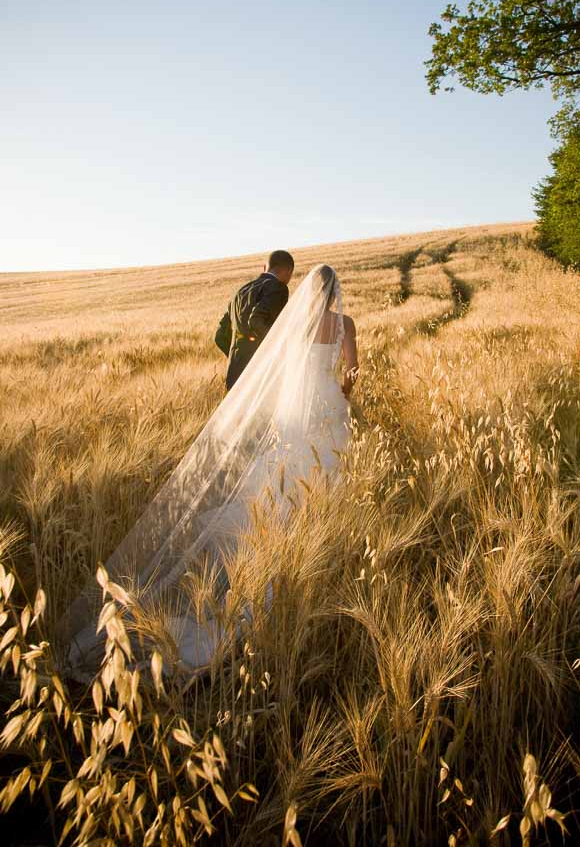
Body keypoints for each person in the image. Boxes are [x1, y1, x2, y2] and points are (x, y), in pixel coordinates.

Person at [62, 264, 359, 673]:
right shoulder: (345, 323)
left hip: (294, 413)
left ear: (308, 290)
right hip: (327, 407)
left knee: (276, 485)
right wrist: (338, 395)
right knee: (325, 477)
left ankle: (257, 558)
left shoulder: (295, 327)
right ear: (334, 293)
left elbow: (285, 372)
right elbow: (353, 373)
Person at [219, 249, 294, 390]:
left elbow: (219, 335)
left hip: (234, 371)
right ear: (288, 270)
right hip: (260, 372)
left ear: (264, 267)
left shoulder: (241, 291)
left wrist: (238, 353)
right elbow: (256, 321)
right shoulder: (278, 288)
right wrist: (276, 348)